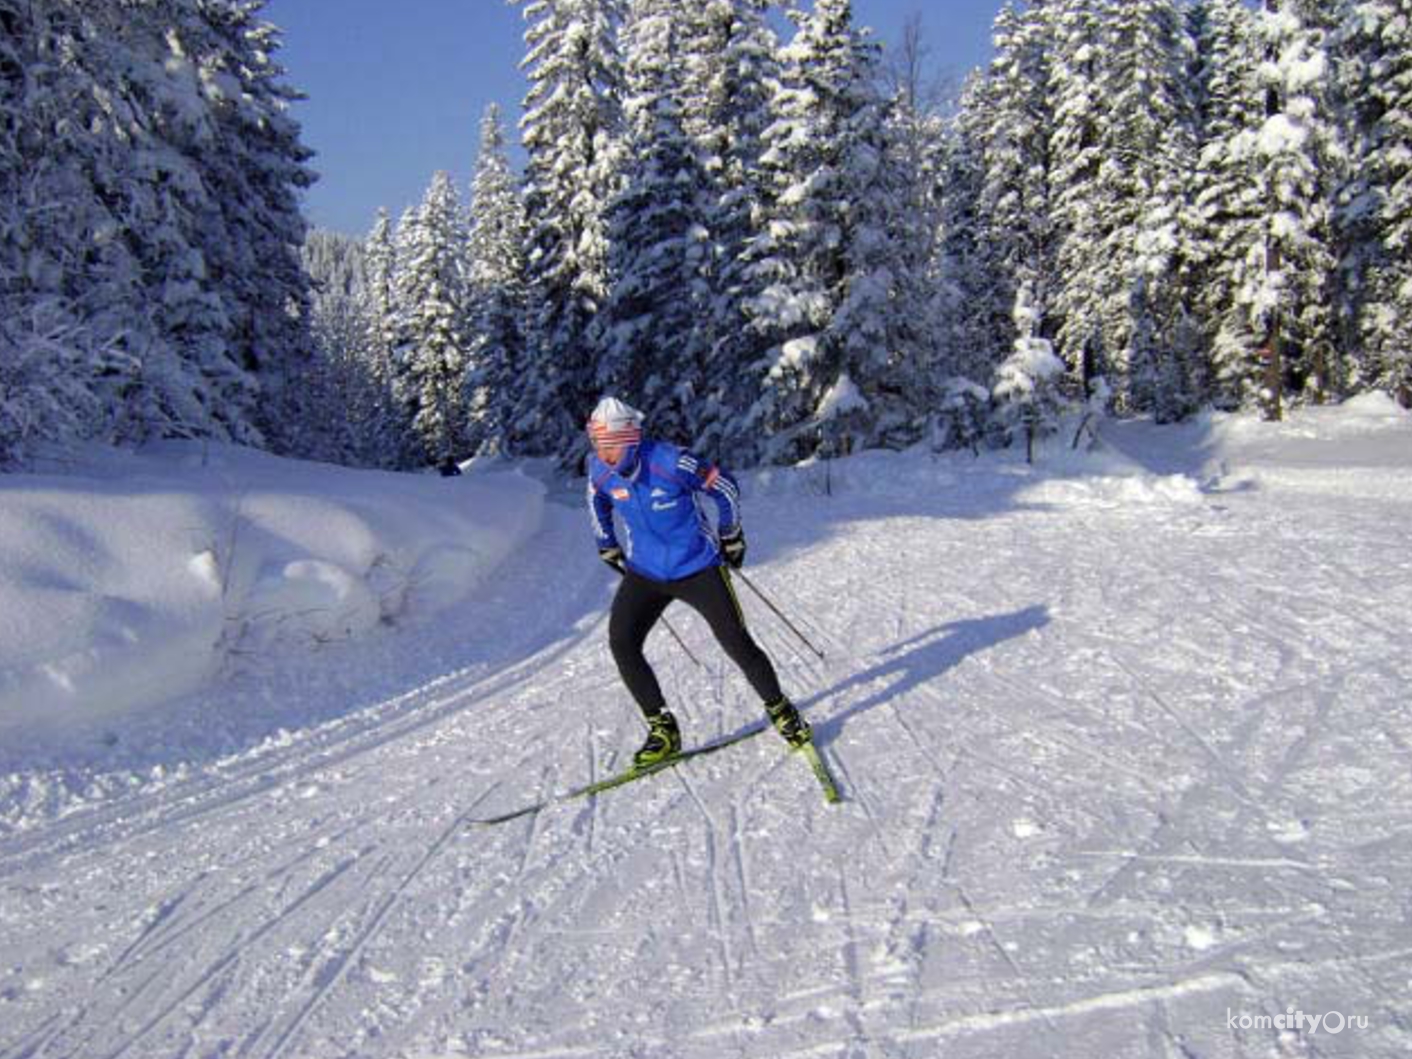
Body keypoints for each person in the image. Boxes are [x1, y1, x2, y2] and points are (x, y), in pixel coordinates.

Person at [585, 396, 810, 768]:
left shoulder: (672, 461)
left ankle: (781, 709)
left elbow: (724, 487)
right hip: (646, 572)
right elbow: (596, 500)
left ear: (630, 440)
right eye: (597, 446)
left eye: (611, 447)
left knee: (737, 642)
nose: (604, 455)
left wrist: (731, 534)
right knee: (622, 642)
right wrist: (605, 542)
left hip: (699, 568)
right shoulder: (600, 470)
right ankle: (663, 730)